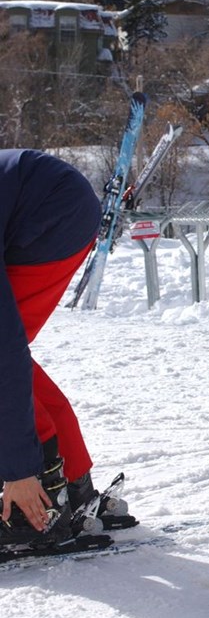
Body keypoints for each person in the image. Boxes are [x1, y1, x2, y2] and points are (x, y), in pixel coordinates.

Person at [0, 149, 130, 549]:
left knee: (4, 356)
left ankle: (38, 505)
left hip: (49, 210)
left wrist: (18, 469)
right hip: (50, 201)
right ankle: (74, 485)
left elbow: (6, 352)